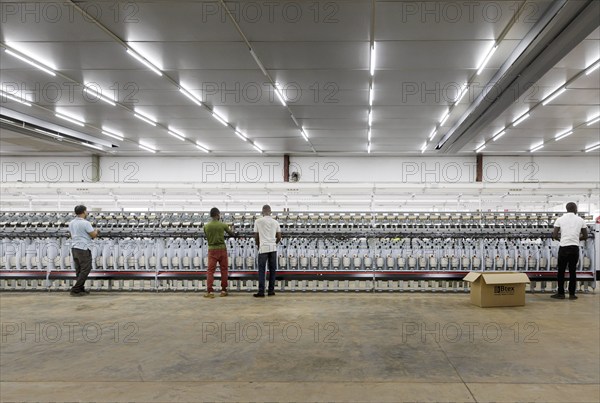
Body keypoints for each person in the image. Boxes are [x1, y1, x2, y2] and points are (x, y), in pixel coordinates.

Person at [551, 202, 588, 300]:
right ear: (575, 209)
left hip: (563, 248)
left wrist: (562, 240)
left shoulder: (560, 219)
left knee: (561, 271)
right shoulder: (581, 220)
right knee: (572, 271)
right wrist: (576, 239)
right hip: (574, 248)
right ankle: (572, 294)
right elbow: (586, 236)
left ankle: (561, 293)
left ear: (566, 209)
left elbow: (554, 235)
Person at [203, 207, 236, 298]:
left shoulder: (206, 226)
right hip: (222, 249)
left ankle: (210, 292)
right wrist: (234, 230)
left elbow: (207, 236)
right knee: (224, 270)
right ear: (218, 215)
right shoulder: (223, 225)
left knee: (210, 271)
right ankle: (223, 290)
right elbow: (232, 234)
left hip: (212, 250)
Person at [68, 205, 98, 296]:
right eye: (86, 211)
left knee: (79, 269)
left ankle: (80, 289)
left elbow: (71, 234)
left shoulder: (71, 223)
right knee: (86, 268)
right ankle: (75, 289)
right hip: (83, 248)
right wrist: (97, 230)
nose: (87, 212)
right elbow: (93, 235)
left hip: (74, 247)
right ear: (84, 212)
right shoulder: (86, 223)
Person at [253, 205, 281, 297]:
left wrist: (258, 245)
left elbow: (256, 236)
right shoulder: (275, 222)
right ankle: (271, 291)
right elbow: (279, 237)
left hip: (263, 247)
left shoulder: (258, 221)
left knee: (262, 270)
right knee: (272, 270)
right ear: (270, 212)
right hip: (273, 248)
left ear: (262, 212)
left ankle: (261, 292)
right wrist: (274, 243)